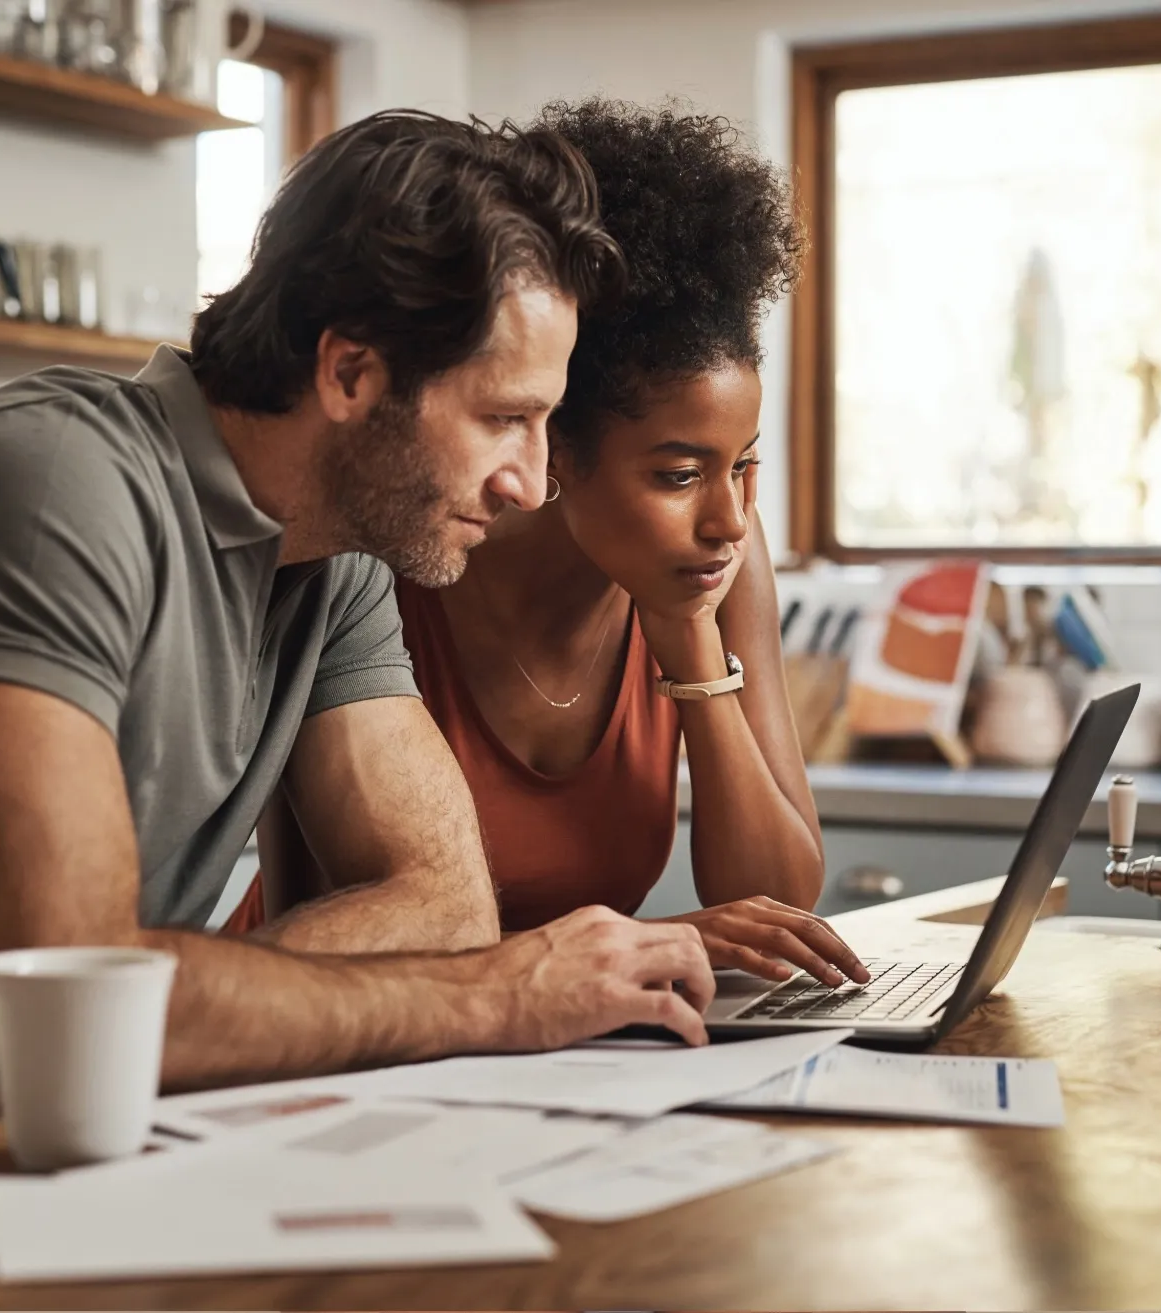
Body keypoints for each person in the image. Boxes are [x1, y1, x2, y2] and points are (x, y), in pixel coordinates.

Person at [0, 110, 719, 1170]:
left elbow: (443, 904)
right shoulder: (47, 491)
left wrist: (171, 1014)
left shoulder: (340, 556)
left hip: (39, 1136)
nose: (530, 482)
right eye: (502, 418)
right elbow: (70, 993)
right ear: (350, 374)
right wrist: (497, 995)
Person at [248, 101, 868, 990]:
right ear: (556, 445)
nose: (729, 518)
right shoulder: (396, 556)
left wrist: (690, 640)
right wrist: (652, 941)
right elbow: (330, 925)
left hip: (567, 1043)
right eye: (679, 474)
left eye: (746, 466)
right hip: (338, 1028)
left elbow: (778, 903)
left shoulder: (717, 562)